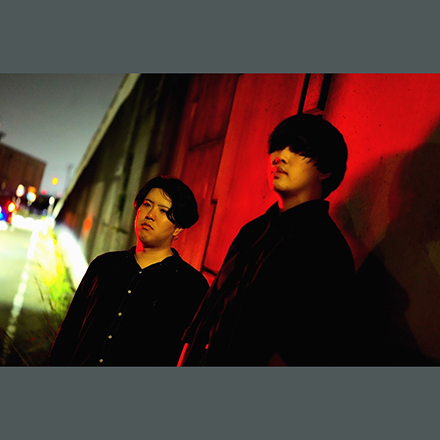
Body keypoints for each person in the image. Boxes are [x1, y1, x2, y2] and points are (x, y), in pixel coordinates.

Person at [178, 113, 358, 366]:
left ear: (325, 169)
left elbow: (307, 347)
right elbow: (207, 312)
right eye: (277, 147)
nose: (280, 157)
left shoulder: (325, 247)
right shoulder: (253, 230)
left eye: (297, 149)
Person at [49, 176, 209, 366]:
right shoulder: (104, 265)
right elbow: (70, 330)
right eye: (147, 205)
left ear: (178, 228)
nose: (150, 215)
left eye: (163, 211)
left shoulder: (191, 286)